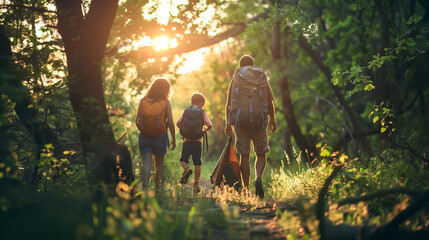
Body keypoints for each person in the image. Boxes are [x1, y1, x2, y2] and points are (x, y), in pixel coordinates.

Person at [225, 55, 277, 199]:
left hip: (241, 122)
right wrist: (272, 119)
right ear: (253, 65)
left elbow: (229, 104)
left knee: (245, 155)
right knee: (261, 154)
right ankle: (258, 178)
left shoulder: (236, 80)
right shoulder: (261, 78)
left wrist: (228, 123)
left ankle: (246, 189)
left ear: (240, 65)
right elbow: (270, 101)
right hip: (259, 121)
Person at [136, 78, 176, 192]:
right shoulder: (166, 102)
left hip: (145, 136)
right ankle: (159, 191)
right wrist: (173, 138)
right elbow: (171, 122)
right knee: (159, 166)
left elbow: (136, 121)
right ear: (166, 90)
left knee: (146, 163)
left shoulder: (143, 101)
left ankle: (144, 189)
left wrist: (144, 130)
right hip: (160, 137)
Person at [177, 93, 212, 193]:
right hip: (197, 141)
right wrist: (203, 131)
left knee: (183, 159)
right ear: (201, 103)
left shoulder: (186, 112)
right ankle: (196, 186)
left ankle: (187, 169)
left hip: (186, 140)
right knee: (197, 163)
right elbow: (209, 125)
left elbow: (178, 123)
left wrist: (184, 129)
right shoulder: (202, 113)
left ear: (191, 102)